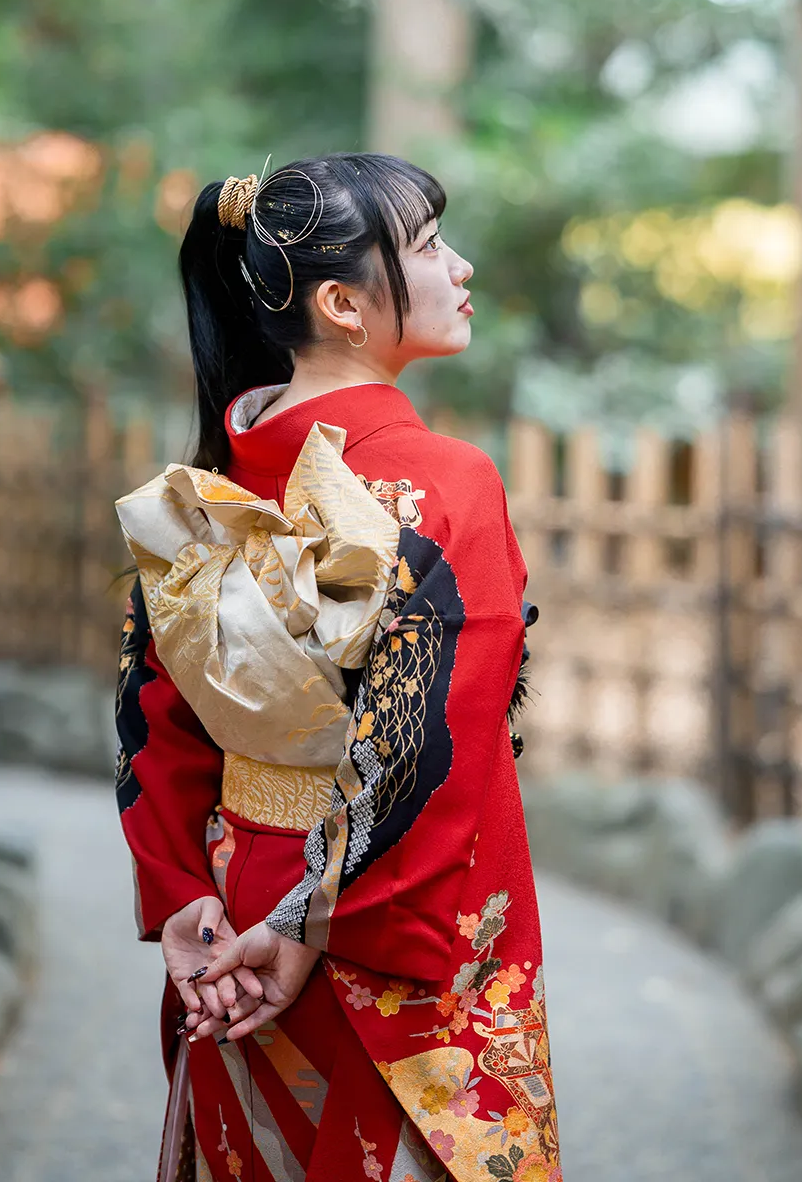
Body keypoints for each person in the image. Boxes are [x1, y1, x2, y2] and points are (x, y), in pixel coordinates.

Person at [114, 155, 562, 1182]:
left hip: (229, 924)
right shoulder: (447, 482)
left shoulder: (204, 487)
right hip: (377, 929)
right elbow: (435, 746)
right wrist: (307, 927)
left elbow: (150, 720)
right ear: (342, 303)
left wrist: (184, 900)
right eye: (427, 245)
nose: (460, 264)